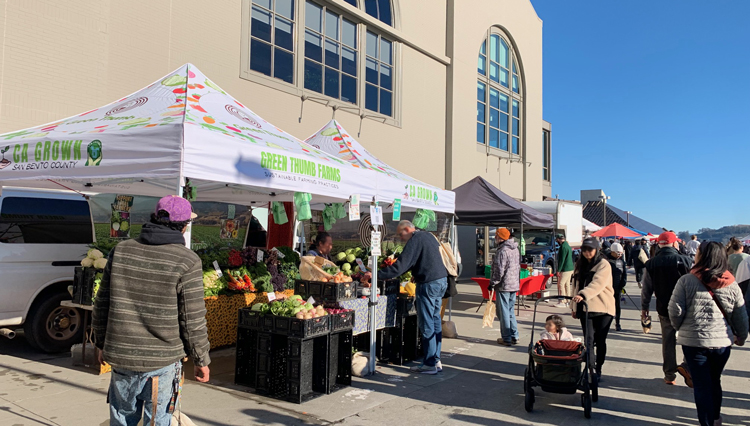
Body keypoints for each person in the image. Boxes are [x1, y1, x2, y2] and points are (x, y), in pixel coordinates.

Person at [93, 195, 211, 426]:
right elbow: (192, 318)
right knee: (157, 420)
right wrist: (201, 359)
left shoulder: (121, 250)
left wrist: (100, 342)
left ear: (153, 218)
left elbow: (102, 303)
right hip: (162, 361)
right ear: (184, 226)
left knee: (122, 418)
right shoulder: (187, 260)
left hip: (122, 355)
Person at [668, 241, 748, 426]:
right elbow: (741, 315)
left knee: (702, 385)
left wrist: (680, 327)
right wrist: (742, 336)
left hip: (694, 343)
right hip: (722, 343)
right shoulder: (731, 283)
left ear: (701, 256)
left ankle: (706, 423)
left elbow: (674, 310)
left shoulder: (687, 280)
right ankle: (715, 418)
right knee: (715, 380)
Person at [370, 220, 448, 374]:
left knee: (427, 323)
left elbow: (400, 266)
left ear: (407, 229)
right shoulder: (428, 235)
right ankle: (436, 359)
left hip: (428, 283)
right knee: (435, 319)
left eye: (401, 234)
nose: (400, 238)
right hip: (441, 280)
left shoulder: (415, 239)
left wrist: (376, 275)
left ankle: (430, 363)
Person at [641, 231, 694, 386]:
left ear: (659, 244)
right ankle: (688, 367)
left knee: (668, 341)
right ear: (674, 244)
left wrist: (644, 307)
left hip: (664, 307)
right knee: (688, 339)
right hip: (686, 307)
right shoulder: (686, 261)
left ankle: (669, 375)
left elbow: (647, 288)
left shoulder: (651, 263)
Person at [571, 237, 615, 381]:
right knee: (588, 340)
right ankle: (591, 370)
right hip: (586, 308)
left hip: (603, 308)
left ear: (597, 250)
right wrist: (574, 306)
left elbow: (598, 283)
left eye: (590, 250)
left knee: (600, 340)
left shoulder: (603, 264)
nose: (587, 253)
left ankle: (599, 367)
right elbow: (575, 286)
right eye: (584, 250)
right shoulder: (580, 265)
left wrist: (583, 294)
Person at [489, 228, 521, 346]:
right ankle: (514, 335)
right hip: (514, 284)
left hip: (504, 285)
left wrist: (493, 283)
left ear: (500, 237)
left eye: (496, 236)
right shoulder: (514, 249)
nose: (495, 238)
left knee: (504, 312)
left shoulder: (503, 251)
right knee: (510, 310)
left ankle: (506, 337)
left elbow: (499, 270)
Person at [607, 243, 628, 331]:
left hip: (618, 287)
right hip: (608, 288)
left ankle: (617, 323)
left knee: (617, 306)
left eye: (621, 253)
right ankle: (606, 324)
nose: (619, 255)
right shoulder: (606, 261)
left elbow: (624, 274)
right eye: (618, 253)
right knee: (608, 307)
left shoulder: (621, 261)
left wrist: (623, 283)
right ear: (612, 252)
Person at [555, 233, 575, 308]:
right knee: (567, 285)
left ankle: (562, 300)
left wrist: (558, 270)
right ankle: (568, 300)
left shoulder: (563, 247)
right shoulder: (568, 246)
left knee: (561, 284)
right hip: (570, 268)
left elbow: (562, 260)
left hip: (565, 268)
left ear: (558, 239)